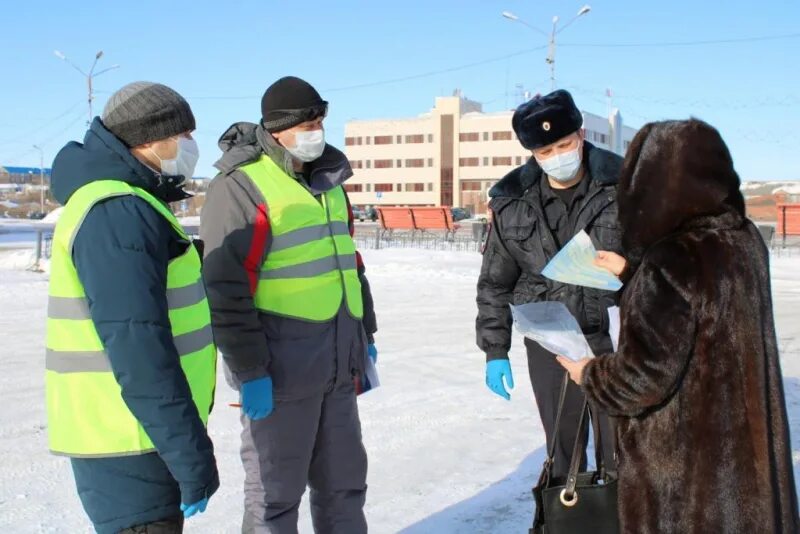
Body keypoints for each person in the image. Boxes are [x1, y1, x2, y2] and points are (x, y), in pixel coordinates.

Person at [557, 119, 799, 533]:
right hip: (744, 475)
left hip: (688, 488)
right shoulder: (743, 240)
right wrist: (634, 275)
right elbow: (707, 307)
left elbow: (640, 379)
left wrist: (589, 374)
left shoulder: (670, 259)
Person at [201, 76, 378, 534]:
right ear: (277, 129)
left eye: (320, 120)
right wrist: (249, 370)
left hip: (339, 362)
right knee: (274, 497)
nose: (316, 130)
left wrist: (366, 334)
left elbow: (349, 264)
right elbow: (225, 287)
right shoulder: (240, 186)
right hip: (279, 369)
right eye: (307, 123)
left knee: (344, 486)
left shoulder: (331, 181)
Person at [46, 82, 219, 533]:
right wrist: (189, 453)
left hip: (135, 438)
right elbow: (138, 347)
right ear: (147, 138)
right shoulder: (118, 208)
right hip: (132, 444)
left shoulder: (129, 201)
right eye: (182, 134)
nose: (189, 145)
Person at [476, 89, 622, 477]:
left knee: (623, 452)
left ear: (581, 135)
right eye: (546, 152)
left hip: (613, 340)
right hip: (551, 342)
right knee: (563, 453)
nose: (558, 157)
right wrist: (495, 350)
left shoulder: (625, 187)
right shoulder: (510, 202)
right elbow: (495, 282)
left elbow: (662, 264)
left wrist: (629, 270)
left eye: (564, 144)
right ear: (532, 155)